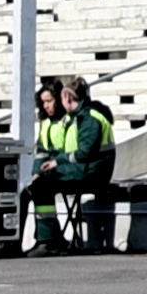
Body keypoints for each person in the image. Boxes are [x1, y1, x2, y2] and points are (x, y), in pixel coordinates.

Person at [28, 75, 116, 254]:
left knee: (42, 187)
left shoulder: (88, 118)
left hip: (92, 172)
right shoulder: (77, 117)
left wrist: (57, 163)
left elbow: (83, 153)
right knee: (38, 185)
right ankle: (48, 238)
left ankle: (50, 240)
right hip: (83, 169)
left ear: (66, 98)